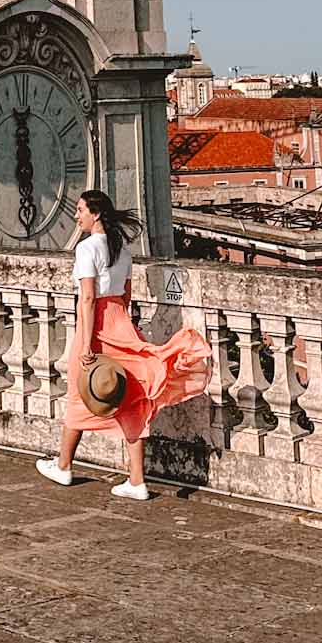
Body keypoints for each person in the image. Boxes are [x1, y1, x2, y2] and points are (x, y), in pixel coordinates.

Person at [35, 187, 211, 502]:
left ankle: (63, 466)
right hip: (120, 321)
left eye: (80, 210)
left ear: (96, 213)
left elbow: (87, 298)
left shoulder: (87, 249)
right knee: (133, 400)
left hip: (97, 325)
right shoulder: (123, 252)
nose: (77, 215)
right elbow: (126, 296)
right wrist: (124, 327)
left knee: (80, 392)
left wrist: (87, 342)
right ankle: (136, 480)